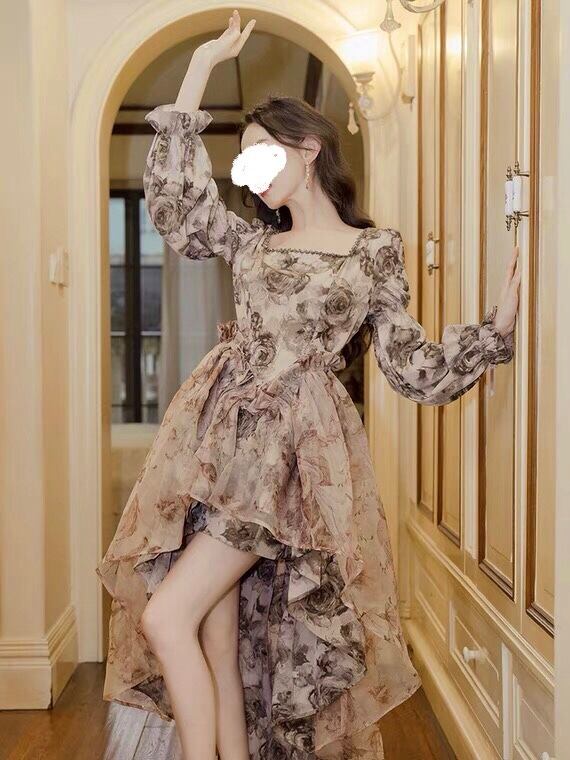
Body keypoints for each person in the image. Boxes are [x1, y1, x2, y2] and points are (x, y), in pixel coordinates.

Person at [96, 9, 520, 760]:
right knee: (217, 636)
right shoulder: (251, 243)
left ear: (309, 148)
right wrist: (200, 66)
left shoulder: (371, 252)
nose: (249, 175)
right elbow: (179, 209)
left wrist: (496, 329)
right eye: (241, 163)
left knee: (166, 618)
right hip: (211, 449)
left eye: (259, 155)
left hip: (285, 463)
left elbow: (410, 365)